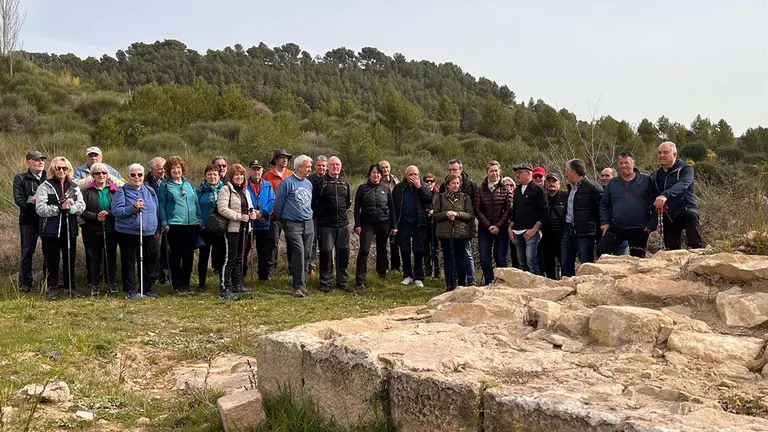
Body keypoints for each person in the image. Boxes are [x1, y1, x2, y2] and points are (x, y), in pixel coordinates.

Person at [35, 157, 85, 300]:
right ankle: (52, 289)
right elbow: (40, 209)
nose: (62, 171)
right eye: (59, 168)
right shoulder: (45, 186)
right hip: (50, 230)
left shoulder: (74, 186)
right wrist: (59, 207)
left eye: (65, 168)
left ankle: (70, 288)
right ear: (53, 170)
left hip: (70, 229)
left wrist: (73, 207)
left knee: (70, 259)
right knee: (52, 260)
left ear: (69, 170)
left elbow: (82, 205)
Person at [113, 164, 161, 300]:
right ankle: (130, 290)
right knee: (129, 261)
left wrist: (157, 228)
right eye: (133, 175)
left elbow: (156, 210)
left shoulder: (150, 191)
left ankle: (146, 288)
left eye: (140, 175)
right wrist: (133, 208)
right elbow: (117, 211)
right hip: (129, 233)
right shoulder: (122, 192)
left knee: (149, 260)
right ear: (128, 176)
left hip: (149, 232)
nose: (137, 177)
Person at [598, 152, 656, 258]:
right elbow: (604, 204)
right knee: (602, 250)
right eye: (621, 163)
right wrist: (605, 222)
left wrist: (651, 225)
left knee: (637, 258)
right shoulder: (613, 182)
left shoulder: (646, 180)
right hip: (617, 225)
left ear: (633, 163)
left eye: (626, 162)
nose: (624, 165)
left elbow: (655, 203)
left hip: (639, 228)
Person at [158, 156, 202, 296]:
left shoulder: (188, 184)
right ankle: (177, 286)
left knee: (189, 256)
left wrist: (199, 218)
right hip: (175, 224)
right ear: (168, 171)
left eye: (178, 167)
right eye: (173, 168)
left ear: (182, 169)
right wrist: (164, 222)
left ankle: (186, 285)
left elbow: (195, 202)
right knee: (176, 256)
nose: (176, 170)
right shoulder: (164, 186)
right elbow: (161, 206)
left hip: (191, 225)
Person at [274, 155, 314, 298]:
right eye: (307, 167)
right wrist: (285, 222)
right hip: (292, 223)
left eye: (310, 166)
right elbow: (278, 206)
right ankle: (297, 286)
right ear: (299, 167)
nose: (310, 169)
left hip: (308, 223)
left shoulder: (308, 184)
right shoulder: (287, 183)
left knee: (307, 254)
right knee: (299, 252)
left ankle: (303, 284)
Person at [651, 141, 702, 250]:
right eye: (659, 153)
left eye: (665, 152)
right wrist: (652, 222)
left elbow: (683, 184)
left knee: (691, 216)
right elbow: (653, 198)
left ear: (674, 154)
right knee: (672, 250)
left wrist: (665, 195)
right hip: (668, 216)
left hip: (686, 209)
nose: (661, 155)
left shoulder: (685, 169)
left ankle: (696, 251)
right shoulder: (655, 175)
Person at [217, 164, 258, 301]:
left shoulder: (245, 191)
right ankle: (225, 288)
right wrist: (239, 216)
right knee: (230, 259)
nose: (239, 177)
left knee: (240, 258)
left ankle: (237, 284)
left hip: (245, 229)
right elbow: (222, 209)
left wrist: (252, 214)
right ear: (231, 176)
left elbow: (250, 207)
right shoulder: (226, 190)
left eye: (241, 174)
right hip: (232, 229)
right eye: (236, 175)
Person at [354, 164, 397, 290]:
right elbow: (357, 208)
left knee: (382, 250)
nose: (376, 175)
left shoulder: (386, 188)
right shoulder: (362, 188)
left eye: (378, 173)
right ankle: (360, 280)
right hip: (367, 224)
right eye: (373, 172)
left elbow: (392, 208)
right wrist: (357, 224)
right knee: (364, 250)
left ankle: (381, 276)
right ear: (370, 174)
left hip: (384, 223)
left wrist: (394, 225)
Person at [80, 162, 119, 297]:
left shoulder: (115, 190)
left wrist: (108, 213)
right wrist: (96, 216)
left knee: (111, 257)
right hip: (92, 230)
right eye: (97, 173)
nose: (101, 175)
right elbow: (82, 211)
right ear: (93, 176)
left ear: (108, 175)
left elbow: (119, 207)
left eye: (103, 173)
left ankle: (111, 283)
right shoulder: (86, 191)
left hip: (111, 229)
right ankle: (94, 284)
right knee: (94, 258)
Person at [313, 156, 351, 292]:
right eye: (333, 164)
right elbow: (314, 202)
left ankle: (343, 282)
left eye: (338, 165)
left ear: (341, 167)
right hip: (326, 225)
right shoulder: (320, 183)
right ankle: (326, 283)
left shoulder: (344, 183)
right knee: (326, 254)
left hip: (343, 224)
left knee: (343, 253)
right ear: (328, 167)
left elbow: (347, 202)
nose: (335, 167)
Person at [432, 174, 475, 292]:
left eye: (457, 183)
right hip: (445, 233)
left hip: (461, 233)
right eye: (453, 183)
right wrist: (446, 214)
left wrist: (457, 214)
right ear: (447, 185)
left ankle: (461, 284)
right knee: (448, 260)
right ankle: (449, 285)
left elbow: (470, 215)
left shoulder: (465, 198)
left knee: (461, 260)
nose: (455, 186)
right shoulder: (440, 198)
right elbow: (435, 215)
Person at [561, 159, 603, 277]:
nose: (565, 174)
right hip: (569, 230)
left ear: (573, 171)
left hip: (585, 233)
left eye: (567, 171)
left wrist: (598, 233)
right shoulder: (572, 188)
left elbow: (600, 211)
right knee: (566, 263)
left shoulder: (592, 187)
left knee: (586, 265)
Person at [474, 161, 514, 285]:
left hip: (501, 228)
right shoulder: (480, 189)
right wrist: (489, 225)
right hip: (485, 228)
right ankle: (489, 282)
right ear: (487, 172)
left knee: (501, 258)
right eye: (491, 171)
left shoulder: (505, 189)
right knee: (485, 257)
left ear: (500, 171)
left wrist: (498, 226)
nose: (494, 173)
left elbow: (508, 209)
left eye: (496, 170)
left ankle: (502, 283)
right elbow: (477, 209)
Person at [393, 165, 433, 287]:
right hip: (403, 223)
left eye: (415, 174)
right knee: (405, 250)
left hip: (419, 224)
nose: (413, 177)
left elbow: (429, 199)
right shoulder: (399, 188)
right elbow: (394, 206)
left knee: (418, 251)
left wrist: (419, 187)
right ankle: (407, 275)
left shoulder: (423, 186)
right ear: (406, 175)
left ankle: (418, 277)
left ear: (419, 175)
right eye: (410, 174)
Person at [13, 151, 47, 293]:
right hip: (28, 220)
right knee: (27, 251)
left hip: (46, 219)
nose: (40, 162)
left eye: (42, 160)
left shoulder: (48, 176)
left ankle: (48, 281)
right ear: (28, 162)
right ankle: (25, 282)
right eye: (37, 160)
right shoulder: (20, 178)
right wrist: (35, 204)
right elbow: (19, 200)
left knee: (48, 251)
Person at [441, 159, 478, 285]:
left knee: (467, 255)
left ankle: (471, 281)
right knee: (452, 257)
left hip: (466, 227)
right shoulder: (443, 186)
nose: (452, 171)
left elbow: (474, 209)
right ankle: (454, 282)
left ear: (461, 170)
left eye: (455, 169)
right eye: (450, 169)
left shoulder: (471, 186)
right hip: (448, 228)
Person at [508, 163, 548, 275]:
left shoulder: (538, 189)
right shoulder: (517, 190)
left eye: (520, 173)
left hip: (531, 230)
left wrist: (535, 229)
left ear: (528, 173)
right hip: (517, 230)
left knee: (531, 259)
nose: (517, 175)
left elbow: (544, 211)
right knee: (521, 261)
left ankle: (536, 285)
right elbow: (514, 210)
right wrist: (510, 228)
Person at [264, 148, 294, 277]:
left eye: (287, 158)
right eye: (282, 157)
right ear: (276, 160)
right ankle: (271, 271)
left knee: (292, 242)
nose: (285, 160)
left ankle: (293, 270)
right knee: (272, 243)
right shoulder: (267, 175)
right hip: (274, 216)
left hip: (290, 215)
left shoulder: (292, 175)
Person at [245, 159, 275, 283]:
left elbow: (272, 201)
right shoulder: (244, 185)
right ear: (250, 170)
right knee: (244, 250)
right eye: (254, 169)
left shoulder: (268, 185)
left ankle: (263, 276)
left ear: (262, 171)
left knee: (264, 252)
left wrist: (262, 213)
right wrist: (252, 214)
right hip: (248, 223)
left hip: (264, 223)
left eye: (259, 169)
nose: (256, 171)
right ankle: (241, 275)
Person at [196, 165, 225, 292]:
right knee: (203, 256)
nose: (212, 177)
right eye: (209, 174)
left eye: (215, 174)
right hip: (204, 228)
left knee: (220, 256)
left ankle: (222, 283)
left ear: (219, 176)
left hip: (220, 228)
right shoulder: (200, 191)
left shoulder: (224, 190)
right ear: (205, 176)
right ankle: (201, 284)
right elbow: (195, 208)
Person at [145, 156, 171, 283]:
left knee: (167, 249)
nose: (163, 171)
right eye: (160, 169)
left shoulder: (169, 181)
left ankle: (165, 275)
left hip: (167, 219)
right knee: (154, 251)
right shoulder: (145, 181)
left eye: (164, 169)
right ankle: (152, 277)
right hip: (153, 221)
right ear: (151, 169)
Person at [540, 172, 567, 280]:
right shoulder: (542, 197)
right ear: (545, 184)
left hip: (562, 235)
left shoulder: (565, 196)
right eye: (549, 181)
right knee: (548, 263)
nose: (551, 184)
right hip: (546, 235)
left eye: (554, 181)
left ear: (559, 183)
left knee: (564, 261)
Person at [307, 155, 328, 277]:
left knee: (327, 243)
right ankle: (311, 267)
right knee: (312, 242)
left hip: (326, 216)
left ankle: (328, 266)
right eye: (319, 165)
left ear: (326, 167)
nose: (321, 167)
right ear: (315, 166)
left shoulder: (329, 179)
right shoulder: (309, 180)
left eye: (323, 165)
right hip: (312, 215)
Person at [599, 167, 628, 255]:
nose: (604, 178)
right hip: (603, 234)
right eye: (602, 176)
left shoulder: (623, 192)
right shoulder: (598, 192)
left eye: (607, 175)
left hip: (621, 235)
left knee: (621, 263)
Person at [380, 160, 401, 272]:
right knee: (382, 242)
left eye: (387, 167)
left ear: (390, 168)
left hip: (395, 215)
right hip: (382, 215)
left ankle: (396, 267)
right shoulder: (377, 181)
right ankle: (384, 266)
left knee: (394, 242)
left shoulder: (396, 181)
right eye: (383, 167)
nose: (385, 169)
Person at [423, 173, 441, 279]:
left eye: (432, 181)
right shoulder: (421, 193)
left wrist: (435, 211)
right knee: (425, 248)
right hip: (425, 224)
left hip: (436, 224)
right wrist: (427, 211)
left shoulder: (438, 194)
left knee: (436, 248)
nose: (429, 183)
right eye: (427, 181)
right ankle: (427, 271)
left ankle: (437, 271)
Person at [502, 176, 520, 269]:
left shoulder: (519, 196)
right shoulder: (499, 198)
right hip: (502, 227)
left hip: (516, 228)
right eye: (506, 185)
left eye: (511, 185)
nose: (509, 187)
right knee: (502, 254)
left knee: (517, 254)